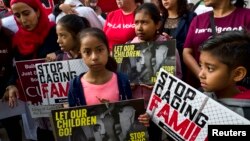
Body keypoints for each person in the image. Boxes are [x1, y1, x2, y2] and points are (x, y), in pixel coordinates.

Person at [67, 27, 149, 128]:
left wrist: (141, 118)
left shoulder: (122, 81)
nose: (94, 57)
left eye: (100, 50)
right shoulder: (75, 86)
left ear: (107, 49)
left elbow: (130, 112)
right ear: (80, 53)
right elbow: (75, 124)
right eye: (87, 52)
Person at [5, 0, 61, 140]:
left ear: (37, 11)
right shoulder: (18, 39)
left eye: (26, 13)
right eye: (17, 15)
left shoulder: (56, 31)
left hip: (60, 97)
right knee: (44, 133)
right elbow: (17, 66)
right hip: (36, 101)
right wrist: (11, 84)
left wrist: (59, 54)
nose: (23, 20)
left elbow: (73, 51)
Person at [129, 3, 182, 141]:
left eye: (145, 22)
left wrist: (159, 86)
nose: (139, 27)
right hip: (136, 110)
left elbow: (177, 78)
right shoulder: (128, 47)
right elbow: (122, 78)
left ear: (157, 24)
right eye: (136, 22)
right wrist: (128, 84)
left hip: (158, 110)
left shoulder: (168, 47)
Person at [183, 0, 250, 88]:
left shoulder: (247, 16)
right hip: (200, 90)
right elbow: (187, 52)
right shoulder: (198, 19)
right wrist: (204, 76)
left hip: (236, 90)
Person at [199, 30, 250, 120]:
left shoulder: (245, 115)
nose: (200, 74)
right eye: (201, 66)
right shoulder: (199, 95)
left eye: (210, 68)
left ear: (237, 74)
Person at [158, 0, 196, 80]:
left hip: (185, 70)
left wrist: (173, 43)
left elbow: (194, 44)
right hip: (162, 71)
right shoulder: (159, 19)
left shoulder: (191, 17)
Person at [0, 23, 23, 141]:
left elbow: (16, 65)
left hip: (6, 88)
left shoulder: (9, 36)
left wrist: (10, 84)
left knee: (12, 125)